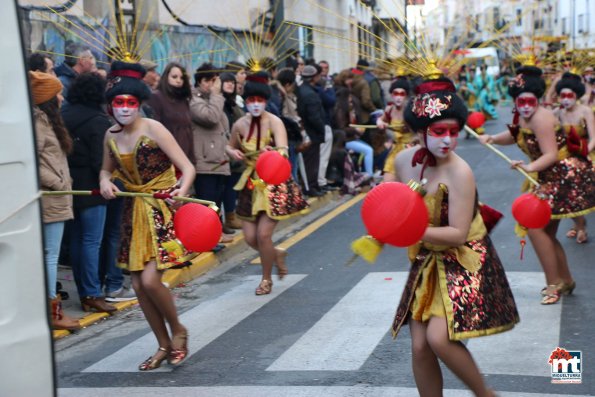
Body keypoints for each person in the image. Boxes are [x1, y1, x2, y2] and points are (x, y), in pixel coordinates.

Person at [392, 74, 518, 397]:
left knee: (438, 338)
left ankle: (485, 394)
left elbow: (458, 234)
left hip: (463, 259)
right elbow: (394, 201)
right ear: (421, 130)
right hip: (426, 258)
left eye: (454, 131)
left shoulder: (461, 172)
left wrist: (411, 230)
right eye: (439, 131)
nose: (448, 139)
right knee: (419, 347)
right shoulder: (404, 162)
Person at [99, 61, 196, 370]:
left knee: (152, 281)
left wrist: (182, 189)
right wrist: (104, 181)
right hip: (133, 213)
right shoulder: (110, 136)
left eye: (130, 103)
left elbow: (188, 167)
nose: (125, 108)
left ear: (139, 104)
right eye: (119, 102)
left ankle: (179, 331)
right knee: (139, 286)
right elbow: (106, 168)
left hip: (161, 210)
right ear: (111, 106)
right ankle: (163, 344)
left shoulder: (154, 128)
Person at [478, 65, 595, 304]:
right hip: (548, 175)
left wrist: (528, 167)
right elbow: (516, 134)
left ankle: (554, 285)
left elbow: (551, 154)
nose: (526, 107)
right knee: (546, 233)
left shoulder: (542, 118)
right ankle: (565, 279)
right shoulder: (523, 115)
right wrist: (493, 138)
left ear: (538, 99)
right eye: (520, 102)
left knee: (535, 228)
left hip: (563, 175)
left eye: (530, 101)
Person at [226, 75, 309, 295]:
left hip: (272, 182)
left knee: (263, 235)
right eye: (251, 99)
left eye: (259, 99)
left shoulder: (274, 121)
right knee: (250, 237)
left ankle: (266, 279)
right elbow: (229, 147)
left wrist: (272, 154)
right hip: (250, 184)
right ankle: (276, 253)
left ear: (265, 100)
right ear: (246, 100)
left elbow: (283, 149)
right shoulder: (239, 124)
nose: (255, 103)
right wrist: (232, 152)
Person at [62, 73, 116, 312]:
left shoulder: (64, 114)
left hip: (68, 184)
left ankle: (84, 292)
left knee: (76, 239)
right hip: (93, 185)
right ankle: (92, 292)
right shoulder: (98, 120)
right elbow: (100, 160)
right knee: (92, 240)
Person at [29, 71, 80, 330]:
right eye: (57, 93)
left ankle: (51, 309)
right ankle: (53, 311)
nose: (61, 97)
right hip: (51, 198)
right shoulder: (38, 124)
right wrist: (57, 182)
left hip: (56, 197)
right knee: (51, 256)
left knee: (48, 255)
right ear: (47, 98)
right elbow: (31, 161)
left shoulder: (46, 121)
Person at [190, 63, 234, 243]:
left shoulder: (213, 99)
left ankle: (214, 235)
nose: (217, 84)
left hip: (219, 161)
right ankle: (206, 238)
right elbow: (211, 117)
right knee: (206, 203)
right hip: (205, 163)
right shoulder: (194, 100)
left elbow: (223, 127)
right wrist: (216, 95)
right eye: (213, 80)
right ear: (203, 81)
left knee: (216, 202)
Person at [555, 71, 595, 244]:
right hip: (567, 157)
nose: (565, 99)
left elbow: (594, 137)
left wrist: (584, 153)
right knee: (564, 192)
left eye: (569, 95)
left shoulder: (585, 111)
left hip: (587, 153)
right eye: (562, 95)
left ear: (576, 95)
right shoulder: (557, 113)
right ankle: (580, 224)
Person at [146, 62, 195, 167]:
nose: (178, 80)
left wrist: (191, 160)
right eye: (174, 77)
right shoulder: (156, 97)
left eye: (181, 78)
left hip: (185, 157)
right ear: (166, 77)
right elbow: (154, 129)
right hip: (164, 158)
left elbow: (189, 131)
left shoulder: (184, 100)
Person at [377, 77, 416, 182]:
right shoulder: (389, 110)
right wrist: (380, 124)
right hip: (396, 149)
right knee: (388, 181)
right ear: (391, 95)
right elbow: (380, 120)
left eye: (402, 94)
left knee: (410, 184)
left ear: (406, 96)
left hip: (411, 150)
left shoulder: (411, 110)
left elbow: (420, 132)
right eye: (396, 94)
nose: (398, 97)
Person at [220, 72, 246, 231]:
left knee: (233, 183)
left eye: (232, 82)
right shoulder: (218, 102)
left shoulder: (233, 103)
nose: (230, 84)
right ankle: (227, 217)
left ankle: (232, 214)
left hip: (235, 148)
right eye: (227, 82)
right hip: (222, 149)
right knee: (224, 186)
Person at [297, 65, 326, 197]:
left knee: (309, 161)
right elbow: (314, 116)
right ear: (314, 77)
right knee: (312, 161)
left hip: (307, 131)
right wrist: (321, 128)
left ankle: (310, 185)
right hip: (312, 133)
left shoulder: (302, 90)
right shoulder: (310, 94)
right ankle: (311, 187)